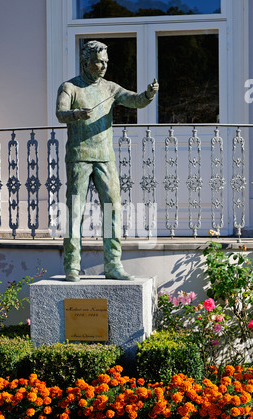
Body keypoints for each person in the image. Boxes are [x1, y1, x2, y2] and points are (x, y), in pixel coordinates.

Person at [56, 40, 159, 282]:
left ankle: (113, 264)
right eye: (98, 62)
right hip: (79, 157)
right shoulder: (70, 87)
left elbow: (135, 100)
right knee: (75, 211)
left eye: (105, 62)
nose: (103, 66)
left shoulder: (110, 88)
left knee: (112, 209)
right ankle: (72, 265)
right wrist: (76, 114)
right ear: (85, 62)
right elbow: (60, 114)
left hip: (105, 158)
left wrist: (149, 94)